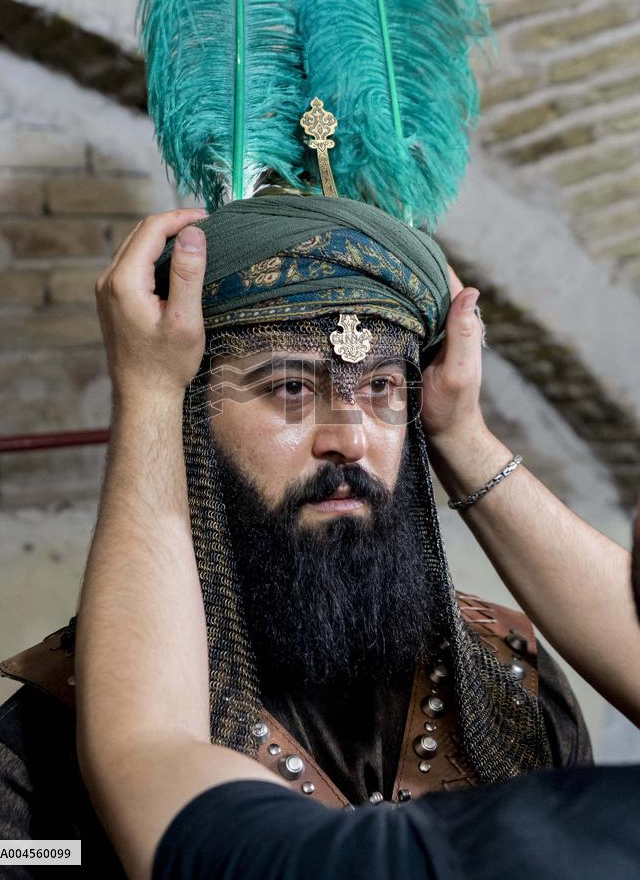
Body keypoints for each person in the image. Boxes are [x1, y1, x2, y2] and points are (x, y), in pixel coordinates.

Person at [73, 210, 640, 880]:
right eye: (289, 388)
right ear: (191, 417)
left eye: (381, 387)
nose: (350, 436)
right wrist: (463, 432)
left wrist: (143, 392)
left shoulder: (507, 677)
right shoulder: (53, 722)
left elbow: (146, 754)